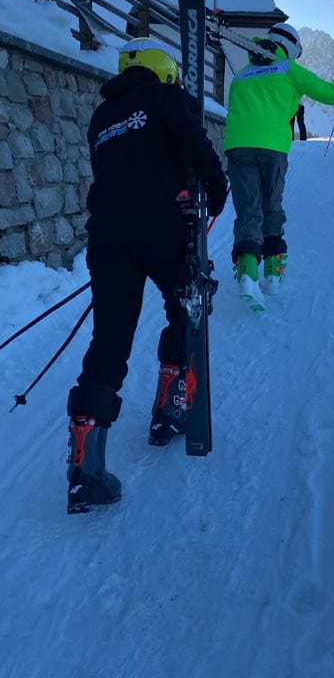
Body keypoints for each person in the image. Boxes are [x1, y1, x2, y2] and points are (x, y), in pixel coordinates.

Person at [66, 38, 228, 514]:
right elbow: (194, 144)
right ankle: (170, 408)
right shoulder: (164, 97)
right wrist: (216, 188)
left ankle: (85, 468)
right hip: (162, 230)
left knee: (109, 341)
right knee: (186, 309)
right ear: (164, 69)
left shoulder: (102, 117)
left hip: (107, 239)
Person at [224, 22, 334, 308]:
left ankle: (247, 272)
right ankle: (273, 275)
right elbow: (326, 92)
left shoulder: (243, 74)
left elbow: (234, 106)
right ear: (289, 48)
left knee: (248, 210)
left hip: (238, 146)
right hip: (272, 146)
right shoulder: (287, 68)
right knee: (271, 208)